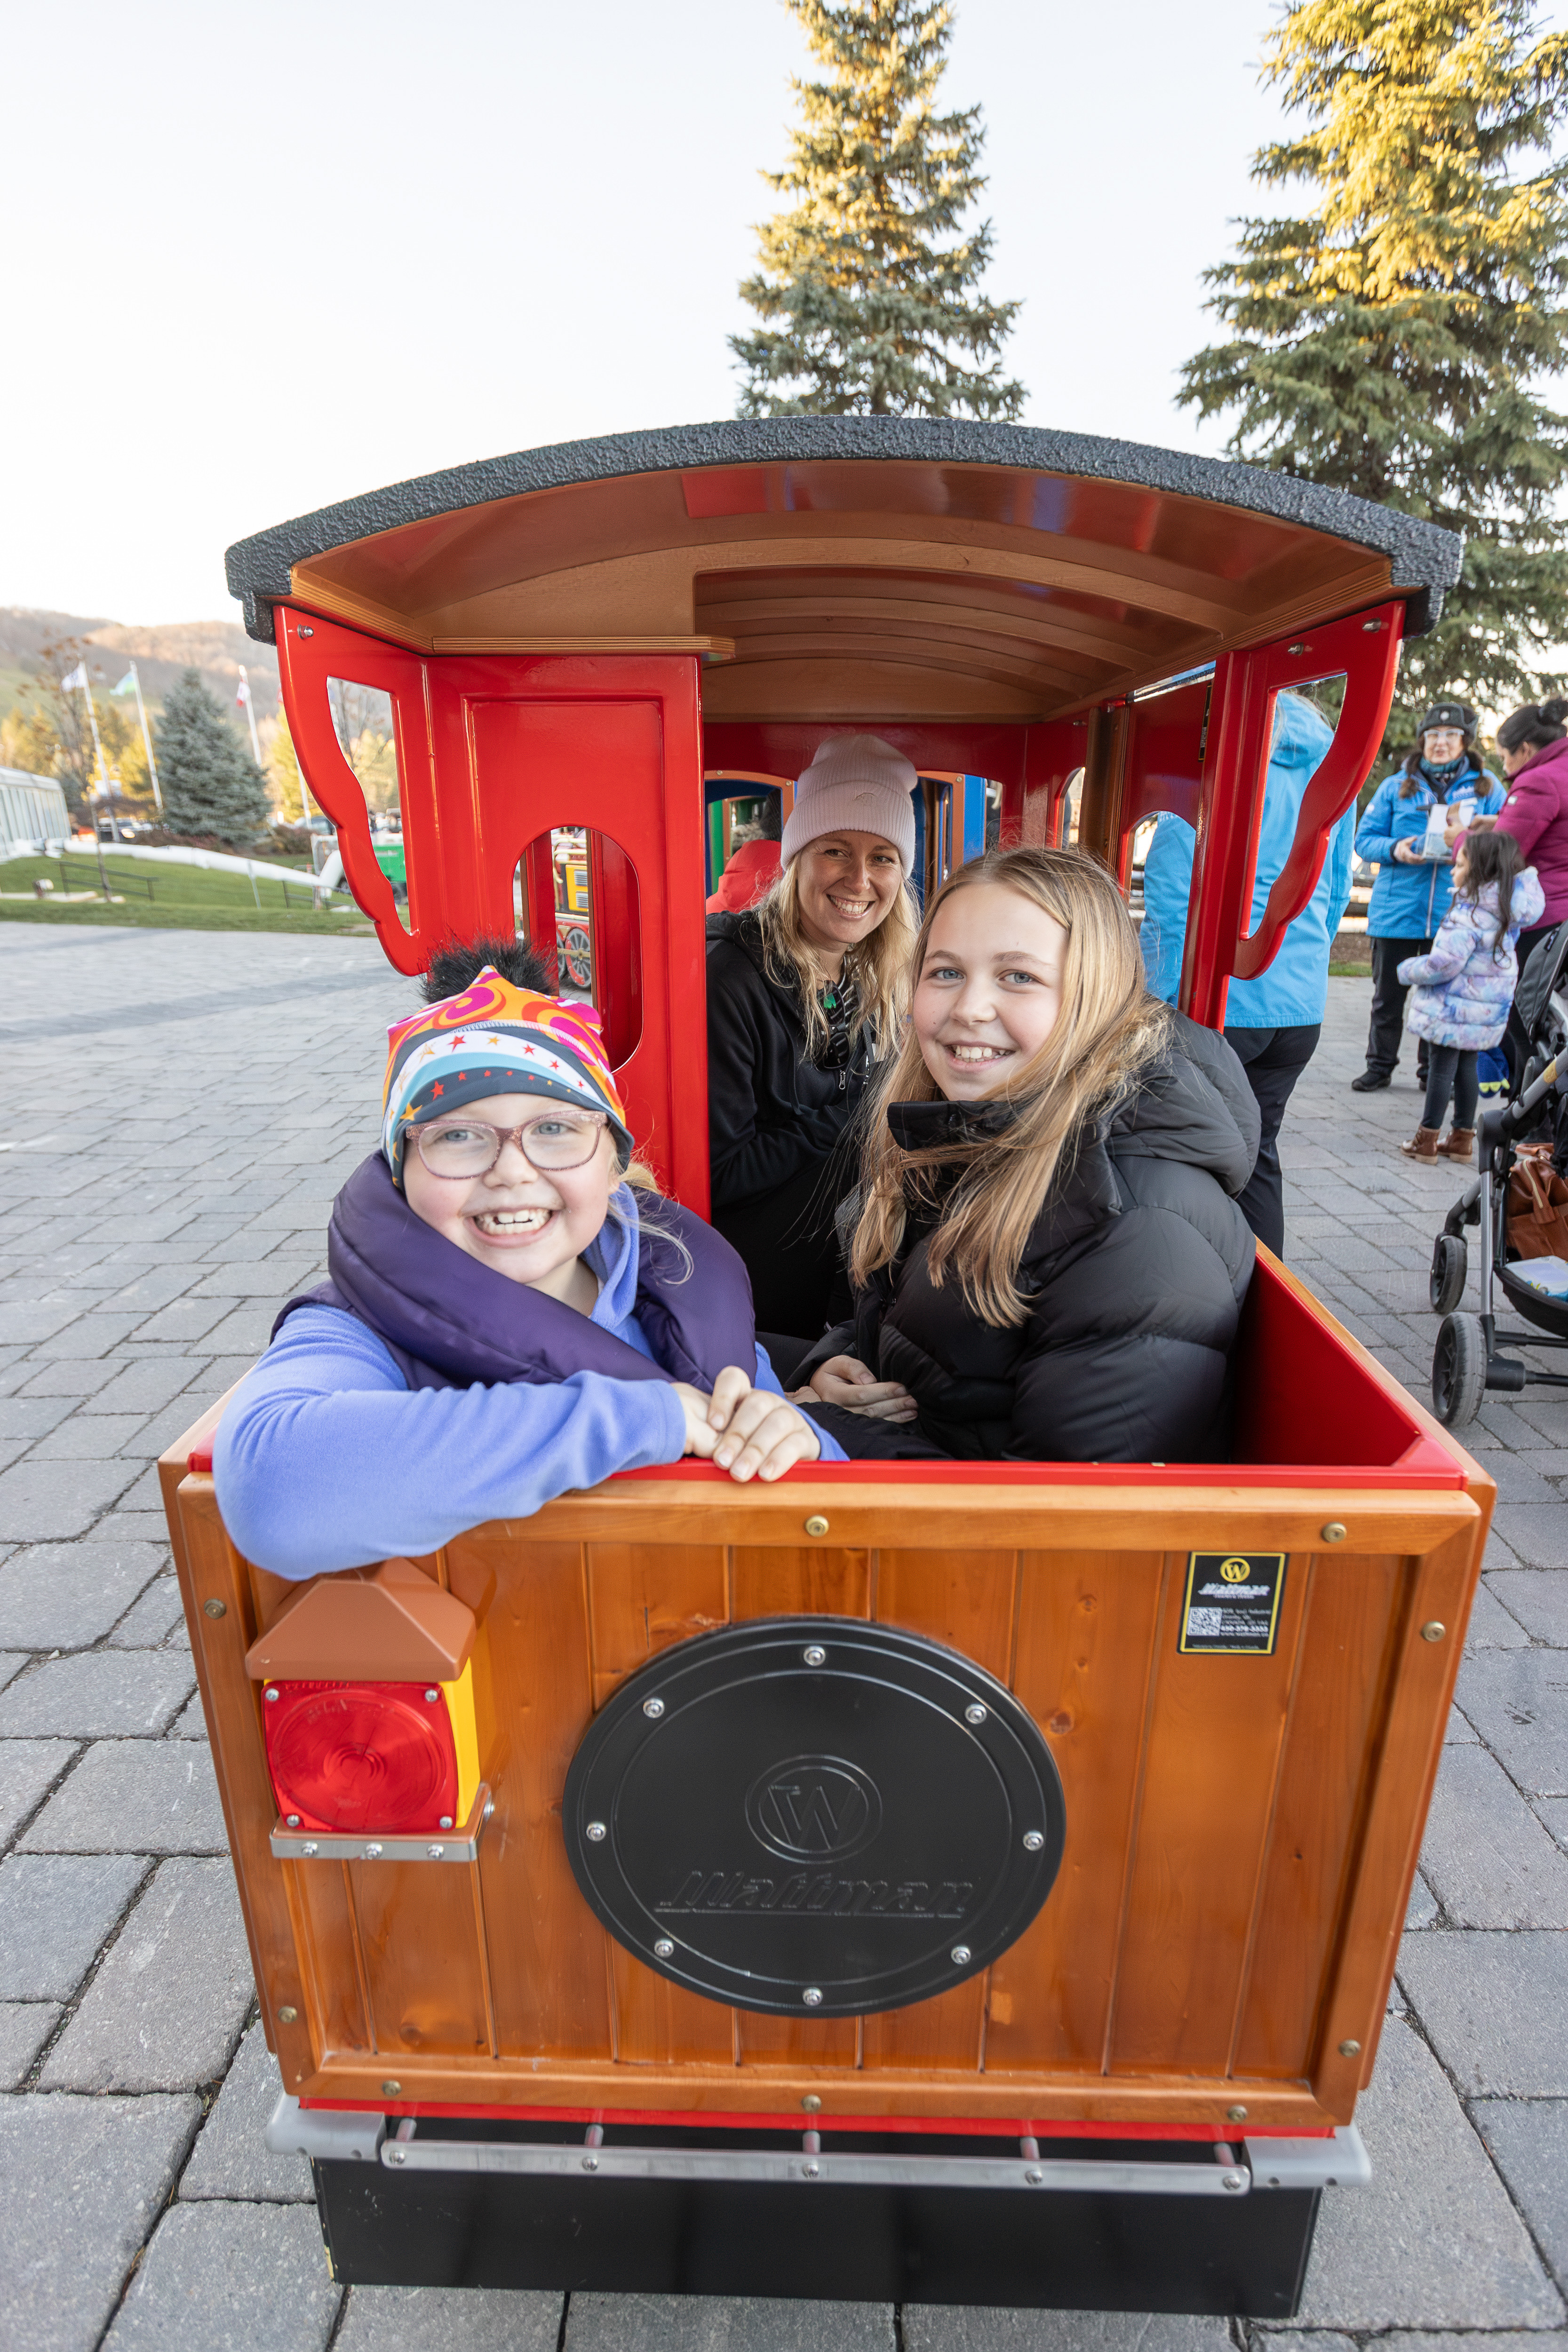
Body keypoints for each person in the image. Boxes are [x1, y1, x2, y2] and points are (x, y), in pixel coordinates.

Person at [213, 949, 857, 1581]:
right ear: (400, 1171)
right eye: (457, 1136)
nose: (512, 1171)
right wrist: (643, 1418)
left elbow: (820, 1495)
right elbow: (271, 1490)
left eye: (554, 1129)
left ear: (611, 1164)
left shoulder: (684, 1290)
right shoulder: (359, 1326)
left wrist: (803, 1440)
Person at [794, 848, 1260, 1463]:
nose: (968, 1009)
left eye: (1019, 977)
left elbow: (1059, 1520)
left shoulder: (1139, 1228)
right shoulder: (966, 1125)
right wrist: (836, 1369)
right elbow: (895, 1322)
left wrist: (822, 1430)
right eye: (945, 972)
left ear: (1091, 1000)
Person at [706, 734, 919, 1340]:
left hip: (827, 1243)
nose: (859, 879)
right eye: (835, 850)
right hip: (746, 1268)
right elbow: (722, 1171)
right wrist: (864, 1112)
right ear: (797, 857)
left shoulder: (863, 969)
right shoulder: (731, 976)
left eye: (883, 857)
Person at [1139, 691, 1351, 1257]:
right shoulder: (1330, 751)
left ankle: (1198, 1281)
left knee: (1188, 1156)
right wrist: (1302, 967)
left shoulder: (1218, 742)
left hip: (1216, 1006)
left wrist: (1156, 999)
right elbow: (1336, 885)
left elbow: (1172, 892)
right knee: (1260, 1155)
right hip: (1297, 1003)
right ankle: (1267, 1297)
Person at [1350, 700, 1505, 1092]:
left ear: (1465, 741)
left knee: (1440, 995)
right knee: (1387, 997)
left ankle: (1429, 1075)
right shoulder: (1393, 786)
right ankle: (1379, 1066)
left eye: (1450, 736)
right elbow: (1364, 841)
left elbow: (1506, 840)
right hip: (1397, 910)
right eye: (1432, 735)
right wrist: (1397, 848)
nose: (1440, 743)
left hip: (1454, 915)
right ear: (1421, 741)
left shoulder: (1487, 787)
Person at [1396, 830, 1542, 1161]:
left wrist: (1407, 970)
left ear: (1478, 872)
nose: (1452, 871)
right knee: (1467, 1065)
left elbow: (1443, 964)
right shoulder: (1505, 912)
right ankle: (1462, 1137)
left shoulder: (1468, 913)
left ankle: (1426, 1138)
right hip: (1482, 1012)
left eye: (1459, 864)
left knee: (1440, 1068)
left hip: (1452, 1008)